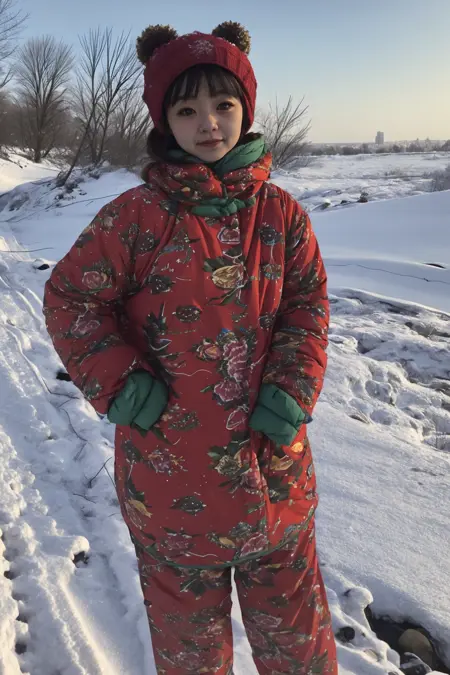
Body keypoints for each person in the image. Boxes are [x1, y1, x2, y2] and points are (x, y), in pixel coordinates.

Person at [43, 21, 338, 675]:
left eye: (223, 104)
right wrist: (124, 387)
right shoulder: (136, 217)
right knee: (190, 655)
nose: (208, 122)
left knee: (298, 647)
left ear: (245, 110)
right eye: (187, 110)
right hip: (170, 485)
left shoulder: (283, 215)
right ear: (164, 121)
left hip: (276, 479)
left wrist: (292, 387)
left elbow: (307, 305)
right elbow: (71, 298)